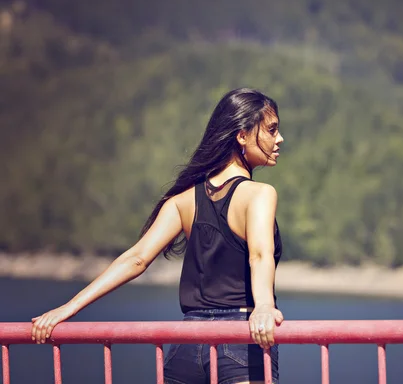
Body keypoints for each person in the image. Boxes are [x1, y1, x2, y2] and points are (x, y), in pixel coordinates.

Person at [31, 88, 286, 384]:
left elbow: (137, 259)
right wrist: (265, 307)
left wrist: (68, 307)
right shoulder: (260, 194)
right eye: (271, 129)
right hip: (241, 339)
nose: (279, 139)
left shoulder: (182, 200)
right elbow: (259, 255)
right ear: (242, 135)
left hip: (186, 344)